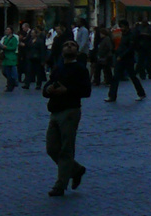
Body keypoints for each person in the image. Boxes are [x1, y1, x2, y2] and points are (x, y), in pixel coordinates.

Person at [42, 41, 93, 197]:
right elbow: (47, 87)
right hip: (55, 111)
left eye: (72, 45)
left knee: (66, 149)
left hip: (70, 111)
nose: (69, 46)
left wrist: (68, 90)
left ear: (77, 50)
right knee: (51, 148)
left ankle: (60, 185)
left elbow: (86, 91)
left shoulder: (80, 69)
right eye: (66, 45)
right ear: (62, 50)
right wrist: (48, 89)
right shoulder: (58, 68)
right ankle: (76, 169)